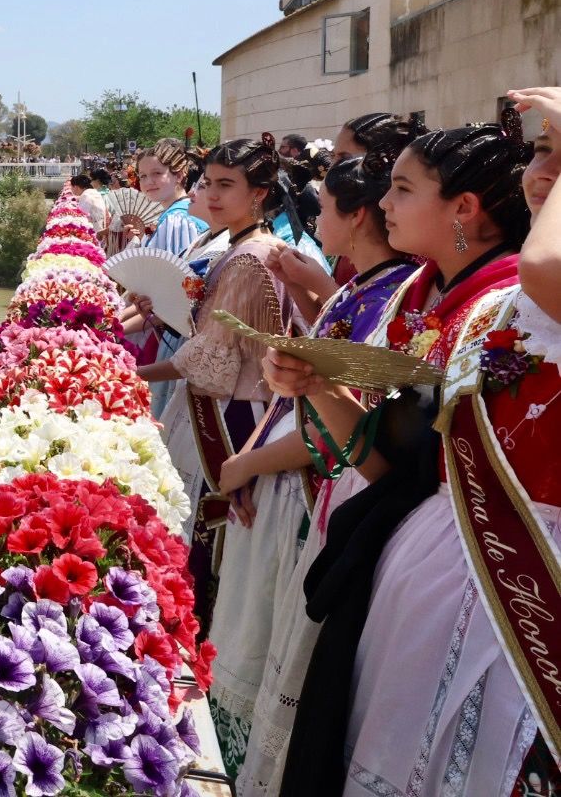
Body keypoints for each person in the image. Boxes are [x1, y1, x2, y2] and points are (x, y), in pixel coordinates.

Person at [277, 108, 541, 796]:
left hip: (487, 566)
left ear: (464, 208)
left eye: (401, 189)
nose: (383, 204)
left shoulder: (516, 304)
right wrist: (316, 386)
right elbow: (385, 459)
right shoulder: (419, 295)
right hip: (409, 544)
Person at [211, 150, 415, 786]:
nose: (311, 216)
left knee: (283, 641)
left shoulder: (395, 297)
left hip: (318, 490)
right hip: (308, 482)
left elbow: (340, 422)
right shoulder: (366, 284)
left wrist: (247, 462)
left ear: (353, 217)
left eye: (323, 206)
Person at [135, 135, 294, 628]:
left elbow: (207, 359)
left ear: (260, 193)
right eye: (209, 183)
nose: (215, 195)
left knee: (204, 531)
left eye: (228, 185)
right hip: (226, 402)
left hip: (230, 413)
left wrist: (126, 373)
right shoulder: (239, 247)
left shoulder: (250, 258)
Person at [120, 139, 210, 417]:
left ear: (180, 174)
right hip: (160, 325)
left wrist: (114, 326)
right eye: (143, 175)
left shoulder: (178, 221)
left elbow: (174, 292)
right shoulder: (172, 216)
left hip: (171, 333)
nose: (148, 182)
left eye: (157, 174)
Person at [71, 172, 110, 244]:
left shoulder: (86, 195)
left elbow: (80, 216)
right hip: (100, 227)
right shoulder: (93, 192)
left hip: (95, 232)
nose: (71, 190)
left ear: (76, 187)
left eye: (72, 187)